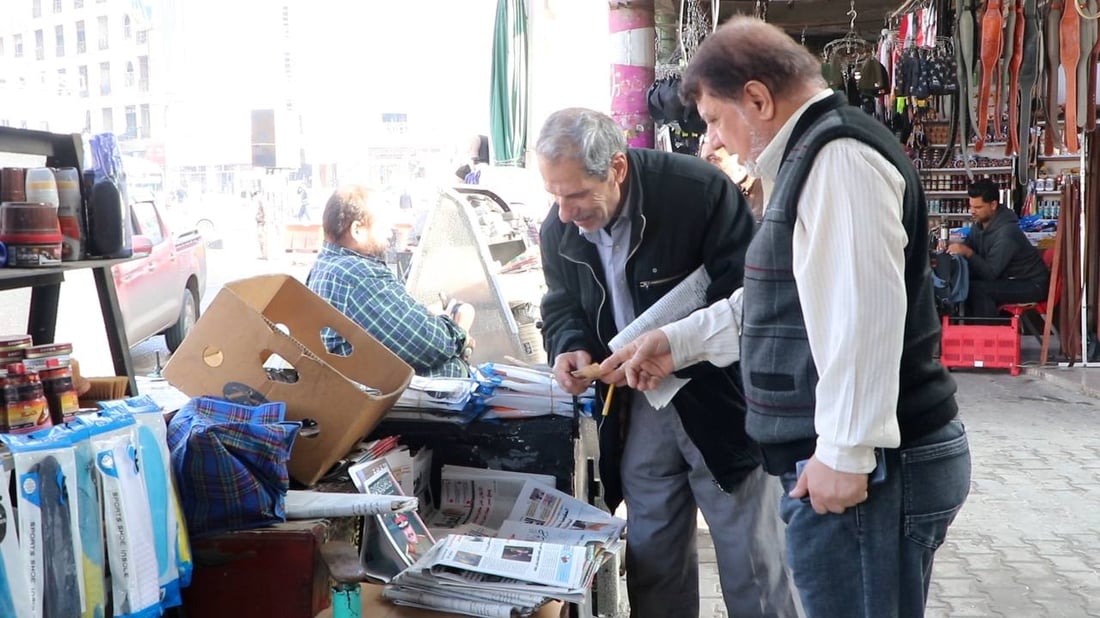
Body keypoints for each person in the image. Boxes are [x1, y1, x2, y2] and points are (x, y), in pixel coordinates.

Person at [599, 18, 971, 618]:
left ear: (757, 98)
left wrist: (845, 454)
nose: (715, 141)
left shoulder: (838, 158)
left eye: (717, 119)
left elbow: (863, 312)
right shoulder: (811, 157)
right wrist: (677, 341)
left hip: (871, 471)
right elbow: (784, 302)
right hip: (851, 468)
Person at [536, 107, 798, 618]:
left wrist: (677, 347)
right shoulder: (560, 228)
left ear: (616, 168)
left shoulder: (696, 192)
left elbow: (753, 294)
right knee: (654, 561)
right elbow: (561, 301)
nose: (565, 213)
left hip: (721, 403)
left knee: (754, 564)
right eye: (555, 196)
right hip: (638, 410)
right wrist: (570, 344)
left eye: (576, 195)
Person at [306, 185, 475, 378]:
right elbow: (432, 345)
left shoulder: (326, 266)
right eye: (383, 227)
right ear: (357, 230)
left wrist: (429, 316)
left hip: (359, 385)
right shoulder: (356, 275)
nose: (389, 235)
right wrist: (459, 329)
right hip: (391, 398)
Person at [947, 179, 1050, 317]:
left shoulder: (1007, 233)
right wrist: (953, 247)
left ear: (993, 204)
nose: (972, 211)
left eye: (978, 208)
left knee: (978, 290)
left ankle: (988, 334)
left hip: (1031, 284)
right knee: (963, 285)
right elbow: (968, 245)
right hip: (1009, 279)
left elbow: (990, 273)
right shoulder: (979, 225)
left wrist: (968, 252)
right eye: (971, 206)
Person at [699, 137, 764, 221]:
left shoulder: (765, 192)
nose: (705, 167)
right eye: (702, 161)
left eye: (713, 159)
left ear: (736, 156)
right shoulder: (710, 196)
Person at [253, 190, 268, 260]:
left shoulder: (261, 203)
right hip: (260, 223)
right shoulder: (260, 203)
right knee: (261, 239)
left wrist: (260, 219)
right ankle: (263, 255)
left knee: (262, 239)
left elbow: (263, 213)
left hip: (262, 223)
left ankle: (264, 255)